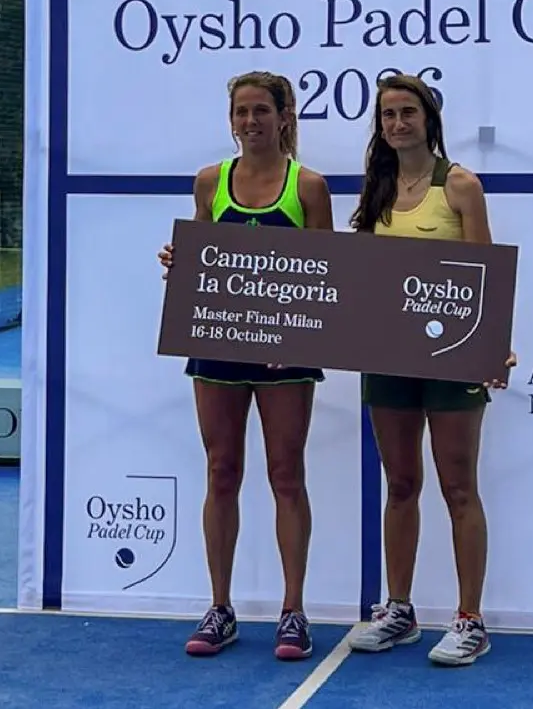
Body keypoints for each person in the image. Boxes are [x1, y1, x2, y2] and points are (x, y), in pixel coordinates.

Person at [157, 71, 334, 661]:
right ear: (229, 119)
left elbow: (328, 275)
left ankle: (293, 611)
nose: (251, 121)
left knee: (286, 474)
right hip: (218, 347)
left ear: (286, 117)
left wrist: (302, 329)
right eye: (242, 111)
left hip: (287, 354)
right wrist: (179, 265)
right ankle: (221, 607)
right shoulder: (209, 182)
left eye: (262, 110)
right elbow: (203, 267)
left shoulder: (309, 187)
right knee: (221, 471)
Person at [345, 74, 515, 667]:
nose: (397, 124)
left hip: (453, 361)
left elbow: (486, 273)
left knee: (458, 488)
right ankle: (400, 610)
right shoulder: (376, 189)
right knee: (400, 485)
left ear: (429, 119)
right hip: (387, 360)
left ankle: (470, 620)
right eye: (388, 115)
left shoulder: (462, 186)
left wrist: (495, 344)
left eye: (407, 113)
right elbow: (359, 278)